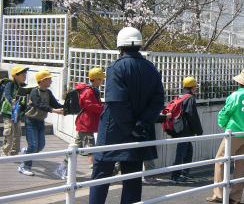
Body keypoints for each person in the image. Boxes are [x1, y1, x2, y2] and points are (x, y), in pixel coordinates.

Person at [89, 27, 165, 204]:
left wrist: (129, 127)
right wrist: (140, 125)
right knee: (133, 179)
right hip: (140, 132)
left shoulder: (116, 67)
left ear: (120, 47)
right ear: (139, 45)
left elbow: (116, 102)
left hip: (113, 131)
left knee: (101, 175)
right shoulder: (151, 69)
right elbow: (158, 101)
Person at [206, 69, 244, 204]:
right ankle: (235, 197)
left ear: (241, 82)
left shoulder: (237, 95)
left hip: (234, 133)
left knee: (220, 160)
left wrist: (222, 123)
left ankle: (219, 195)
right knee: (240, 165)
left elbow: (226, 112)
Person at [53, 68, 106, 180]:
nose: (103, 81)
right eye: (101, 79)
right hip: (86, 123)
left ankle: (61, 168)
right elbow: (90, 106)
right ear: (96, 80)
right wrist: (104, 108)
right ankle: (93, 173)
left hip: (85, 123)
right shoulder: (89, 92)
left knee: (77, 147)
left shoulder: (91, 90)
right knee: (90, 149)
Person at [18, 70, 64, 176]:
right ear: (43, 80)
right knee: (33, 145)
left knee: (40, 146)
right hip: (31, 121)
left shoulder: (48, 92)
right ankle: (25, 166)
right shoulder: (35, 92)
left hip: (41, 121)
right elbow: (39, 105)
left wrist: (65, 108)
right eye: (49, 79)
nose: (51, 81)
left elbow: (55, 104)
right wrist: (54, 111)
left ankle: (27, 152)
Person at [168, 76, 203, 184]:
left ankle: (185, 172)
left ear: (183, 86)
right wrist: (199, 130)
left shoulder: (180, 96)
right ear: (193, 88)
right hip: (186, 130)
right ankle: (175, 175)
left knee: (188, 150)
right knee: (181, 151)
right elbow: (192, 115)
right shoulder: (190, 98)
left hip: (178, 127)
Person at [1, 66, 29, 157]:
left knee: (17, 134)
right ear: (15, 76)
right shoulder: (10, 84)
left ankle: (14, 153)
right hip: (8, 113)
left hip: (18, 114)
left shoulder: (24, 87)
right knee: (9, 132)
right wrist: (11, 100)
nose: (24, 77)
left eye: (25, 75)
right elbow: (7, 94)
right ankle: (4, 152)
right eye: (22, 75)